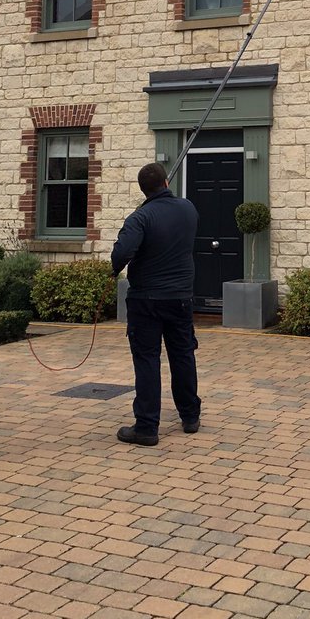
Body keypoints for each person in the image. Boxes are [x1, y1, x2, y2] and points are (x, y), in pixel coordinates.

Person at [111, 162, 202, 445]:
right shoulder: (188, 209)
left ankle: (147, 427)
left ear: (143, 190)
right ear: (166, 183)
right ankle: (190, 416)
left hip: (146, 301)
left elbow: (121, 254)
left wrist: (118, 266)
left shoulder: (139, 217)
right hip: (181, 298)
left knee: (147, 360)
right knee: (183, 355)